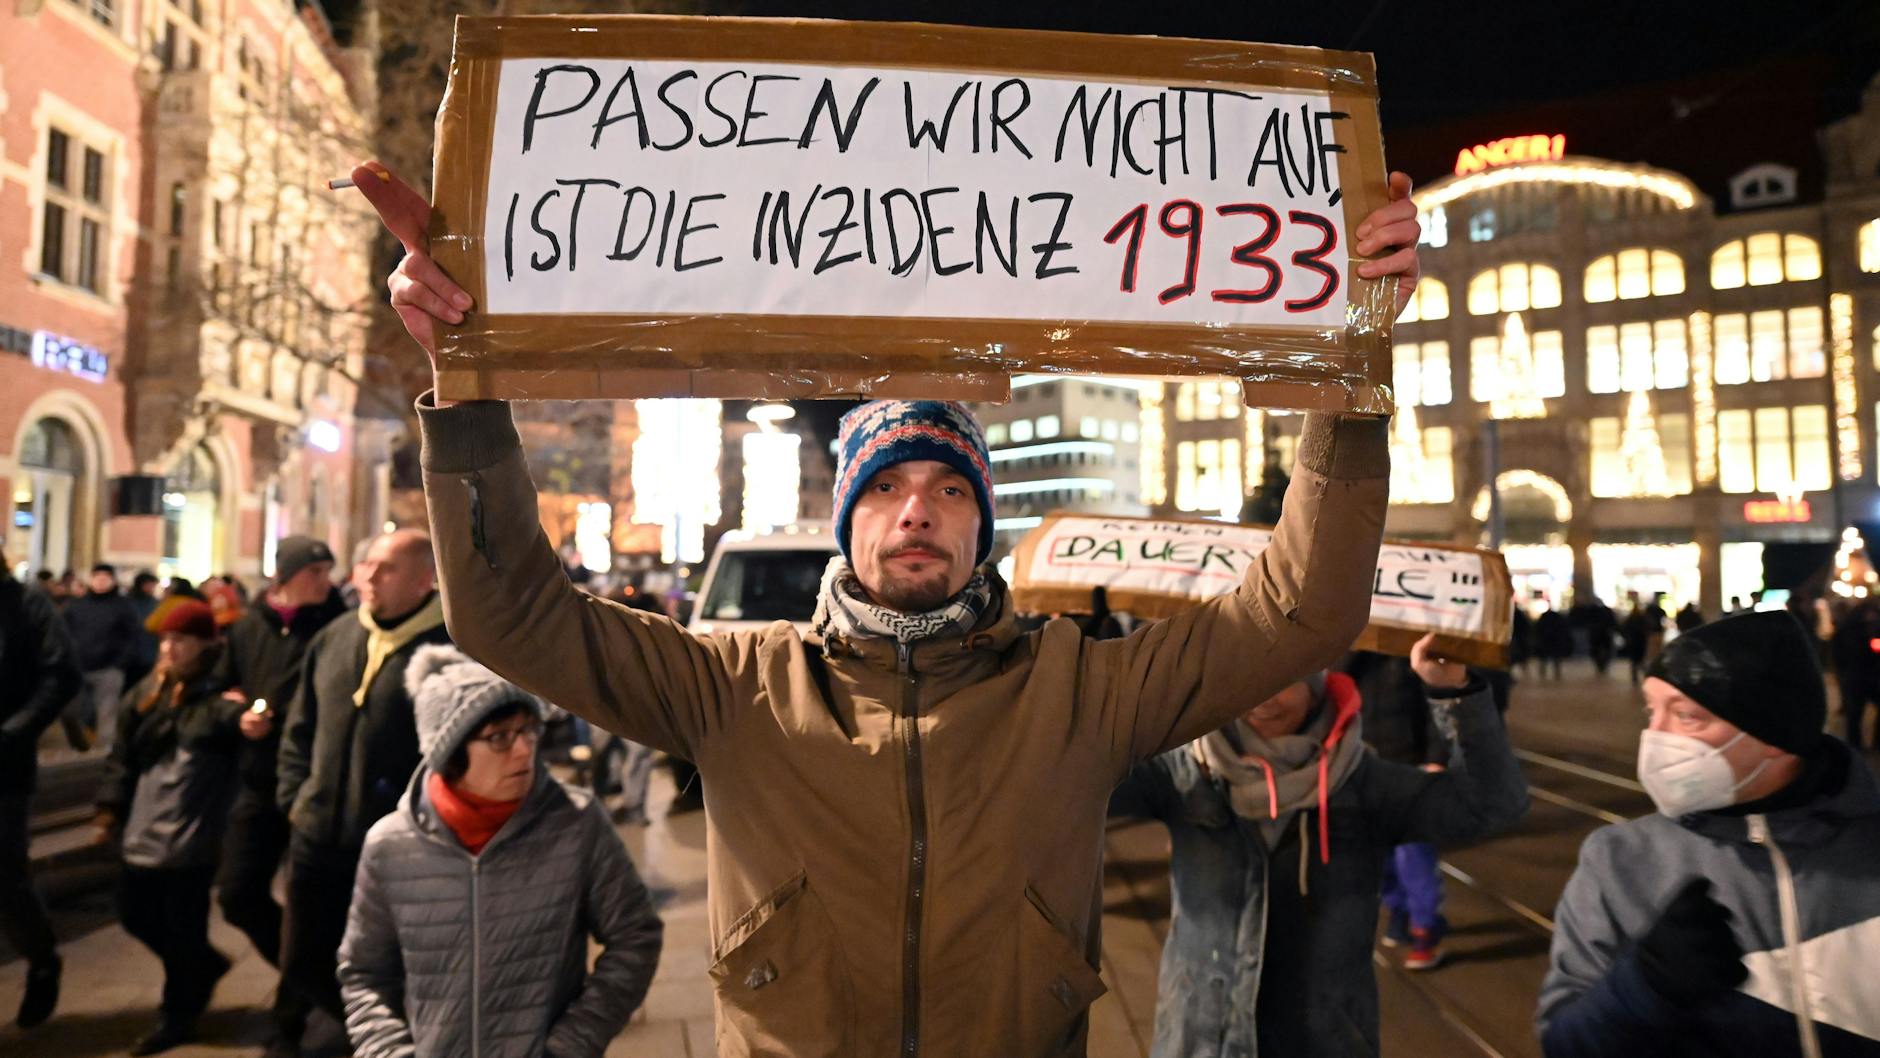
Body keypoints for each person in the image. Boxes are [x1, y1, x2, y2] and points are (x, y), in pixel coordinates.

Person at [354, 156, 1416, 1054]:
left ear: (979, 524)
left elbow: (1299, 613)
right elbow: (513, 616)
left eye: (950, 488)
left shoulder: (1078, 688)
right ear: (848, 519)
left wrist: (1351, 377)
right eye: (887, 486)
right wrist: (466, 385)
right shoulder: (734, 684)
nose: (917, 509)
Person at [1114, 635, 1526, 1057]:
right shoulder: (1184, 773)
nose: (1263, 698)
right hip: (1200, 1043)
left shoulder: (1364, 784)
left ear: (1315, 685)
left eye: (1284, 679)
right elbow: (1086, 781)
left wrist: (1455, 694)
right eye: (1247, 679)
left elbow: (1493, 805)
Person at [1536, 611, 1880, 1057]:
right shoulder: (1619, 860)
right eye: (1651, 710)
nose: (1654, 736)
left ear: (1775, 731)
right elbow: (1566, 1044)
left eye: (1686, 716)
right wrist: (1643, 989)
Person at [338, 645, 663, 1058]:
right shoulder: (390, 846)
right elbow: (364, 974)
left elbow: (635, 937)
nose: (525, 750)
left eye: (528, 731)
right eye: (499, 738)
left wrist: (570, 1045)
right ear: (449, 751)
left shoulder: (576, 823)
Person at [275, 528, 450, 1031]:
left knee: (386, 966)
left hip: (397, 844)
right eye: (367, 564)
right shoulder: (336, 636)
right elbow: (300, 727)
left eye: (387, 568)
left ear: (424, 580)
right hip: (317, 833)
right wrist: (296, 799)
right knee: (305, 960)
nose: (370, 576)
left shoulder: (447, 648)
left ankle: (384, 1041)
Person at [93, 601, 255, 1055]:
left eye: (180, 640)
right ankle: (201, 967)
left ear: (204, 644)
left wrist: (246, 718)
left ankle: (178, 1014)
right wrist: (109, 810)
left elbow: (233, 723)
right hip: (144, 830)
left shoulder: (217, 694)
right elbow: (122, 757)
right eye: (165, 640)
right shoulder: (148, 693)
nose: (169, 648)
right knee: (133, 912)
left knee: (184, 928)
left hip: (191, 838)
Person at [209, 535, 348, 1058]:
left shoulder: (336, 626)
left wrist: (279, 717)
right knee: (238, 893)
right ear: (285, 576)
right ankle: (314, 982)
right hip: (256, 781)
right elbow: (219, 690)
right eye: (315, 572)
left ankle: (291, 1020)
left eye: (327, 571)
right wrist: (236, 715)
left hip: (312, 782)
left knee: (305, 908)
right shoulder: (249, 627)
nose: (325, 582)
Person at [0, 551, 81, 1029]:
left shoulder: (26, 604)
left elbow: (62, 673)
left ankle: (42, 958)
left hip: (4, 765)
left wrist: (14, 732)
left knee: (6, 876)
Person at [1340, 649, 1459, 970]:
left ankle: (1424, 929)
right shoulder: (1353, 652)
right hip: (1361, 766)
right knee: (1377, 855)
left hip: (1408, 766)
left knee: (1413, 853)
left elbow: (1437, 703)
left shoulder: (1410, 650)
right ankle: (1399, 910)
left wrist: (1436, 757)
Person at [61, 563, 142, 752]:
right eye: (97, 577)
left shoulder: (123, 606)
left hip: (109, 669)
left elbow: (133, 636)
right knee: (71, 711)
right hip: (78, 667)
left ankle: (104, 752)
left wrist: (120, 663)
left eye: (105, 578)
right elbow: (63, 632)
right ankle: (79, 745)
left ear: (113, 581)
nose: (101, 582)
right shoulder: (77, 605)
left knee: (107, 713)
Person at [126, 571, 162, 688]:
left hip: (149, 653)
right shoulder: (127, 603)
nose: (151, 588)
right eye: (149, 585)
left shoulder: (156, 604)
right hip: (130, 655)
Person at [1535, 605, 1573, 681]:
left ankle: (1544, 672)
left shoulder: (1544, 617)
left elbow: (1538, 628)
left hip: (1546, 640)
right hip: (1554, 640)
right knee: (1555, 657)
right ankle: (1556, 672)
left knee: (1545, 658)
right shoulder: (1557, 618)